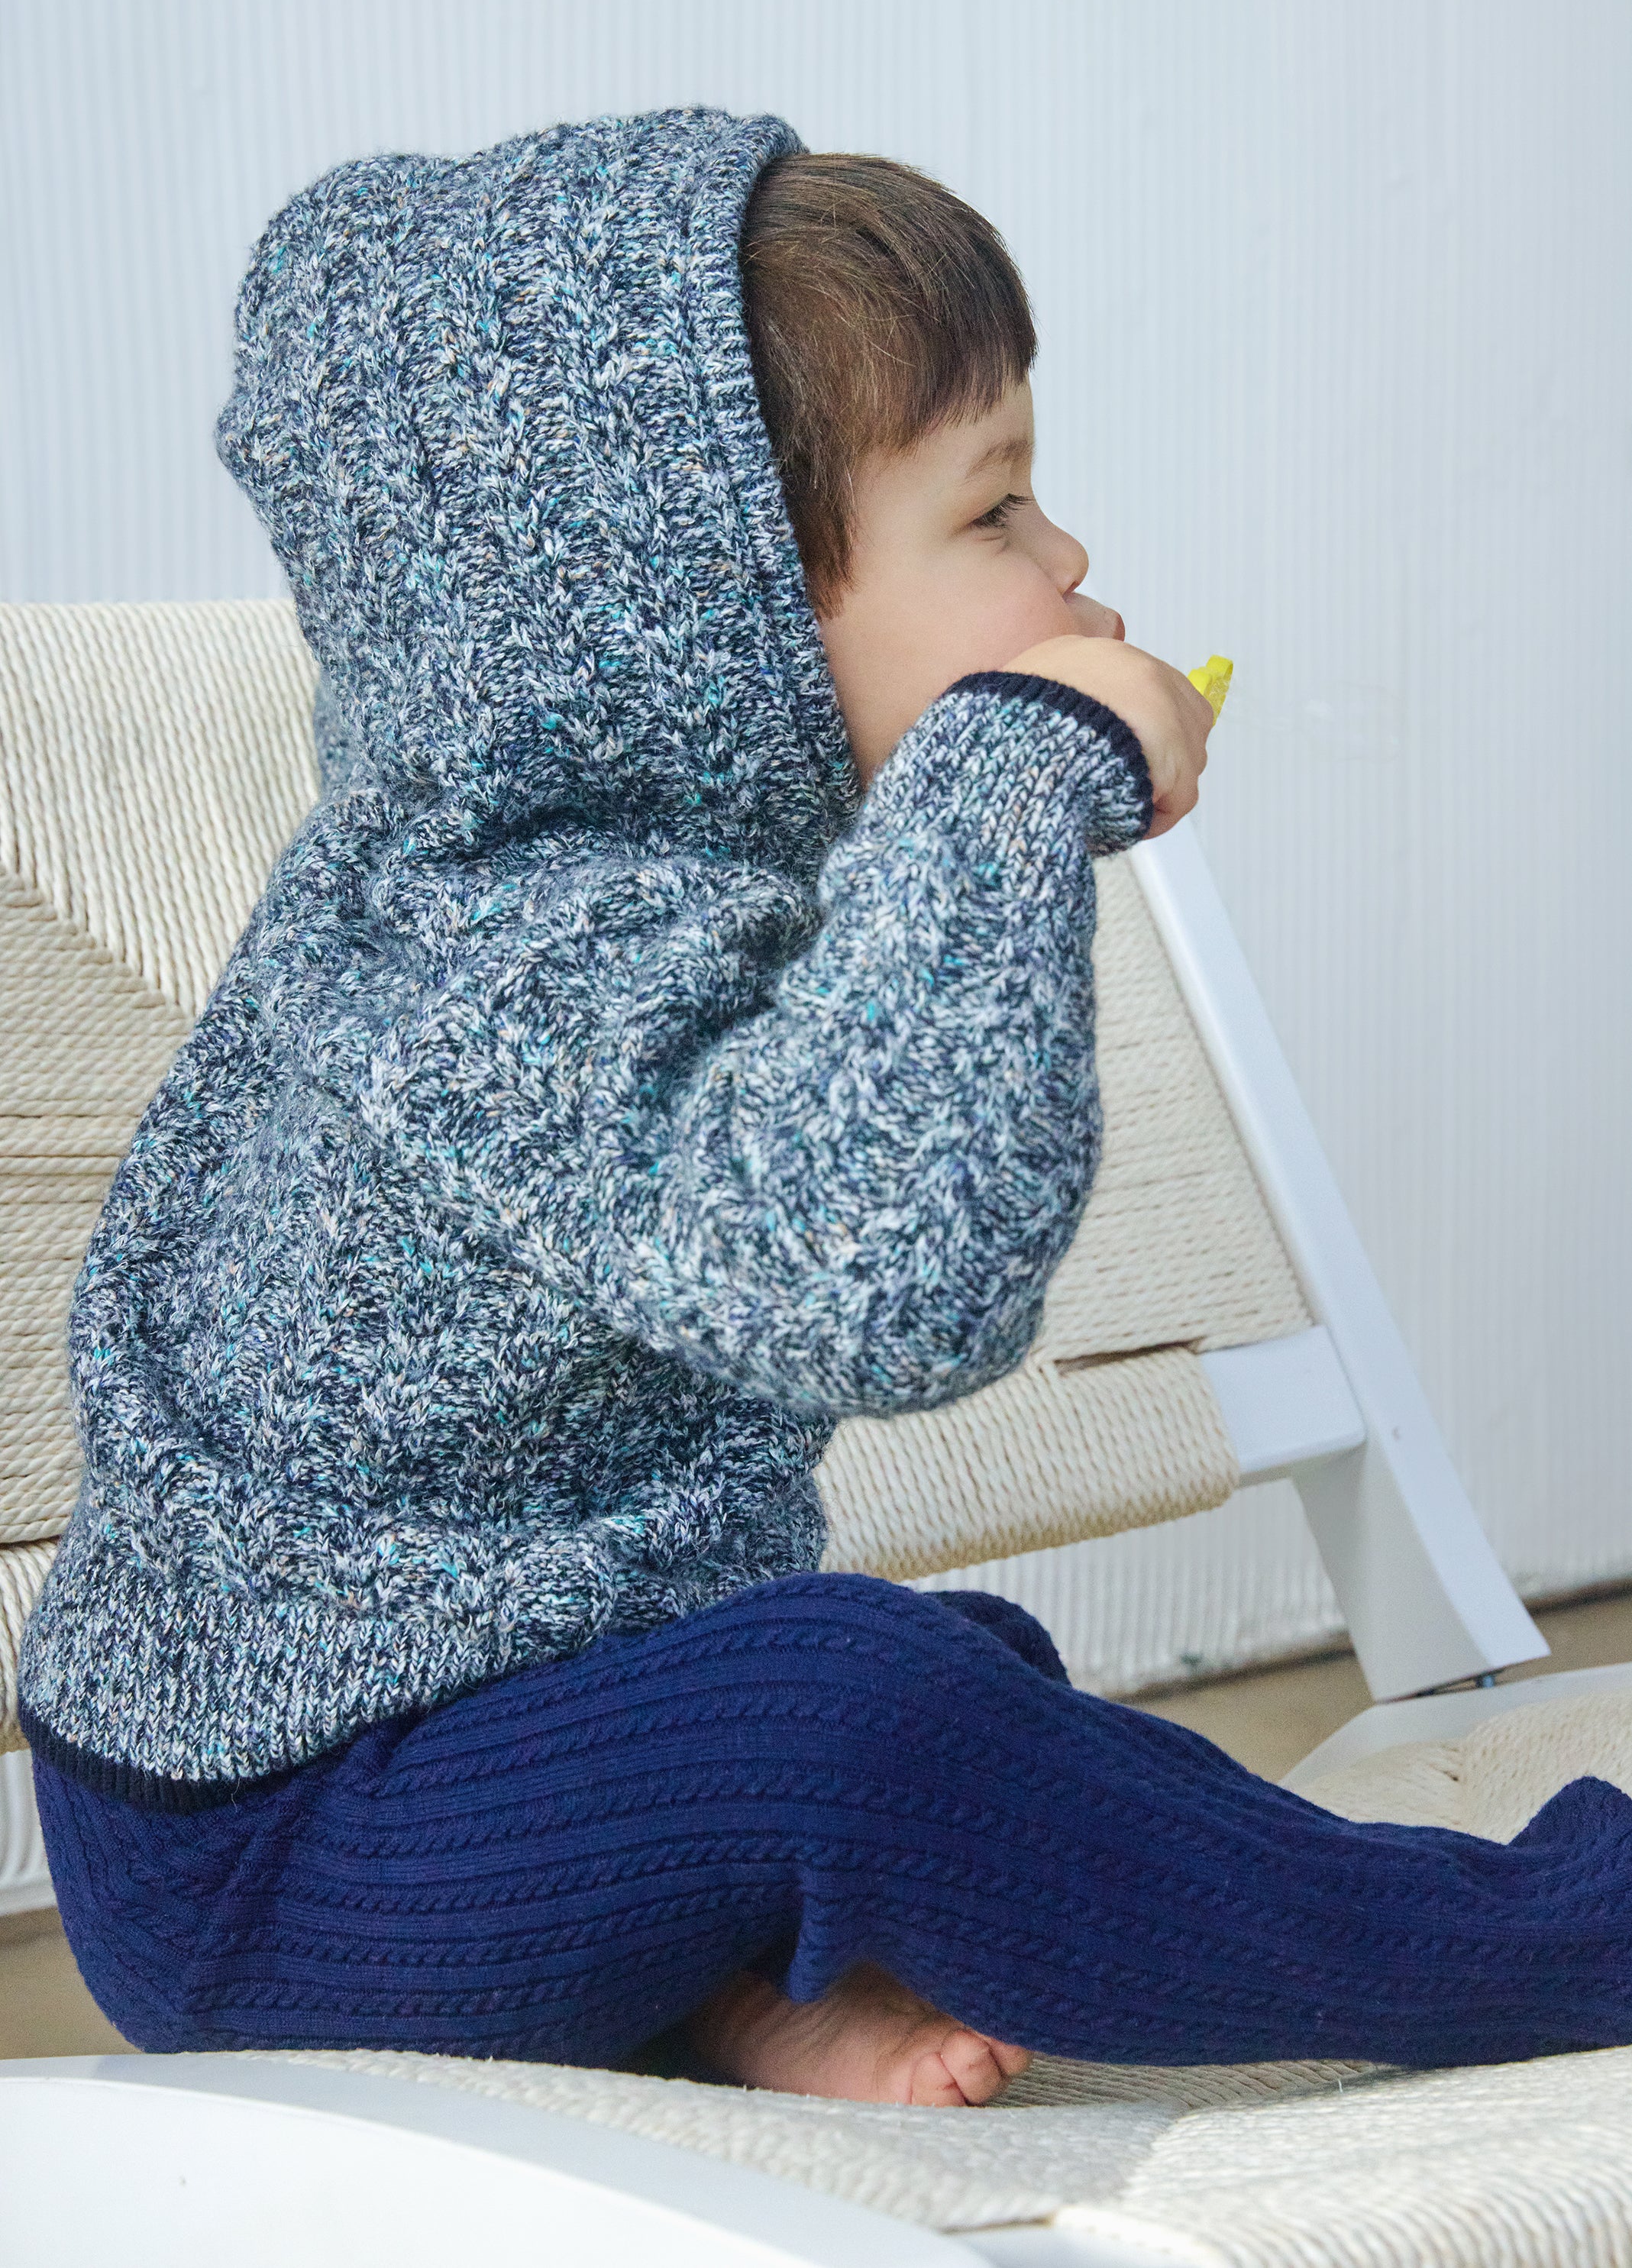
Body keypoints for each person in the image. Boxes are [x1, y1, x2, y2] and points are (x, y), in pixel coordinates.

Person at [19, 109, 1630, 2106]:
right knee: (870, 1720)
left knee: (950, 1681)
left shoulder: (653, 885)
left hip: (486, 1733)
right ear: (714, 612)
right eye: (995, 510)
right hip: (278, 1858)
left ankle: (736, 1992)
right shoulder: (494, 965)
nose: (1068, 562)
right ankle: (1547, 1937)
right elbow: (885, 1281)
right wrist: (1004, 778)